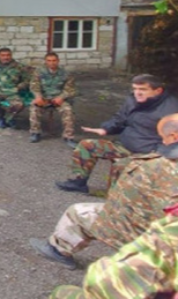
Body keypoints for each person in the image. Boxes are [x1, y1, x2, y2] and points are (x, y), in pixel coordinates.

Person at [30, 113, 178, 271]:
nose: (162, 141)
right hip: (166, 235)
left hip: (152, 240)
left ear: (174, 136)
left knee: (79, 212)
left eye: (163, 137)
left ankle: (56, 249)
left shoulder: (155, 167)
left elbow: (123, 207)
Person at [56, 74, 178, 194]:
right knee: (87, 145)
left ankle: (114, 198)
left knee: (120, 166)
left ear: (158, 90)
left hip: (146, 153)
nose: (137, 92)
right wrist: (106, 129)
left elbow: (173, 142)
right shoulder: (133, 100)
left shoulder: (171, 109)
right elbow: (120, 118)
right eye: (135, 88)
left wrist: (156, 158)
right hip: (124, 145)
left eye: (143, 89)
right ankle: (79, 182)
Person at [50, 202, 178, 298]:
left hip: (131, 228)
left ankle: (59, 249)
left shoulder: (171, 233)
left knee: (61, 293)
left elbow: (106, 287)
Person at [29, 52, 76, 146]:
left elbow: (70, 89)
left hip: (58, 98)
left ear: (58, 61)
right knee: (34, 108)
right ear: (45, 62)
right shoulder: (39, 72)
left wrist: (61, 97)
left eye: (54, 60)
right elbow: (34, 86)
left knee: (68, 110)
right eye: (49, 61)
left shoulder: (65, 73)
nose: (52, 63)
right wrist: (38, 97)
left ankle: (69, 137)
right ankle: (35, 132)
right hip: (44, 98)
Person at [0, 47, 29, 128]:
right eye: (3, 55)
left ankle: (8, 119)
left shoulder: (19, 66)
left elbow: (26, 80)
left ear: (11, 55)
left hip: (11, 92)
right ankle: (1, 115)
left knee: (19, 105)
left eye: (8, 55)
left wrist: (19, 87)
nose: (6, 57)